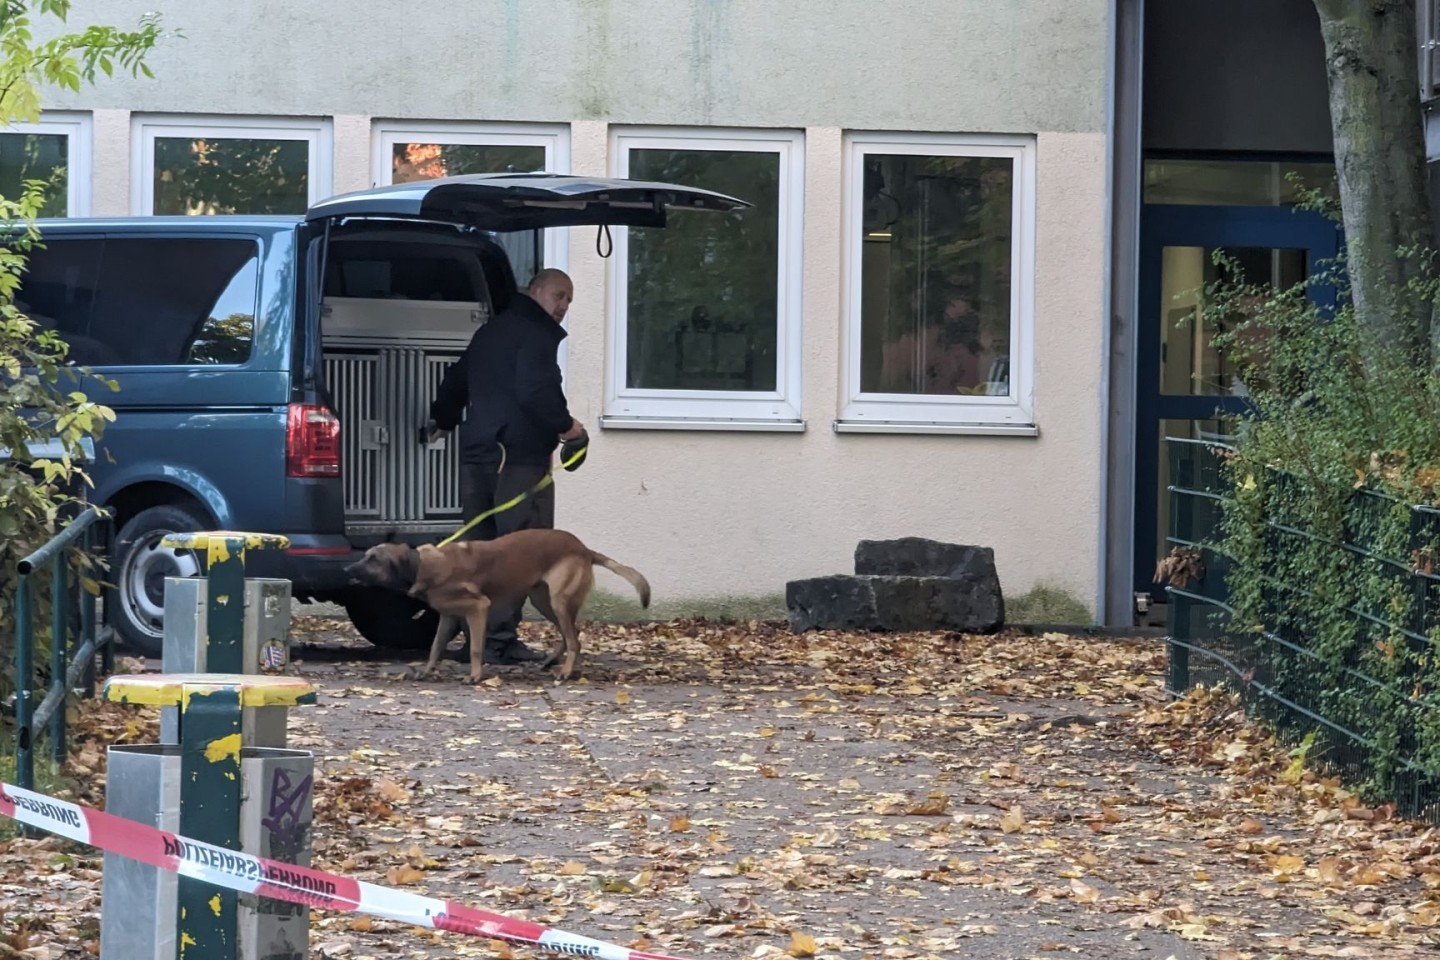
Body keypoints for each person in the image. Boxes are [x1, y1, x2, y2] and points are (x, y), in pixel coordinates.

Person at [427, 267, 587, 664]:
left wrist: (442, 420)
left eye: (569, 300)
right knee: (519, 554)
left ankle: (476, 642)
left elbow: (457, 380)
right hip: (517, 460)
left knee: (476, 551)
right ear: (535, 292)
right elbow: (536, 390)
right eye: (559, 295)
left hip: (478, 454)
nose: (564, 306)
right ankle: (498, 641)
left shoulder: (491, 332)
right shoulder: (535, 336)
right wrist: (567, 428)